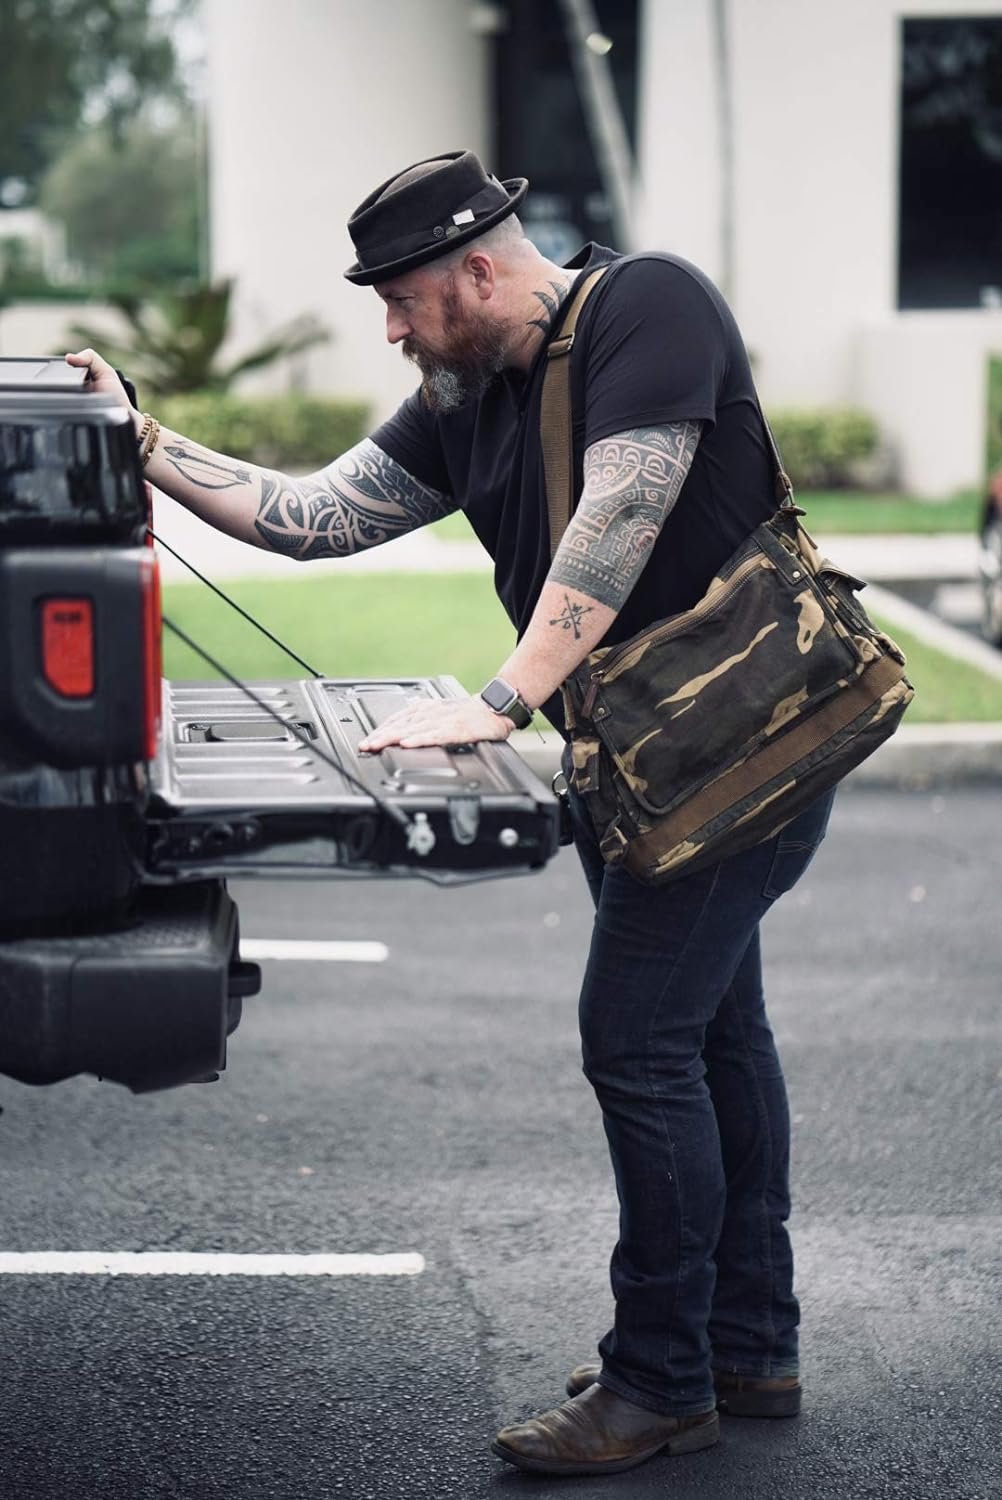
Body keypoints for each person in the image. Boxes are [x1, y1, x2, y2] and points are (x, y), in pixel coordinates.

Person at [68, 149, 834, 1479]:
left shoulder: (651, 307)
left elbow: (622, 513)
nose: (389, 329)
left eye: (399, 300)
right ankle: (746, 1347)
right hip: (639, 759)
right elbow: (312, 515)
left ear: (476, 271)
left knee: (638, 1041)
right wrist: (142, 441)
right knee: (712, 1032)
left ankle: (661, 1380)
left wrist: (499, 700)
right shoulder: (465, 395)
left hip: (742, 745)